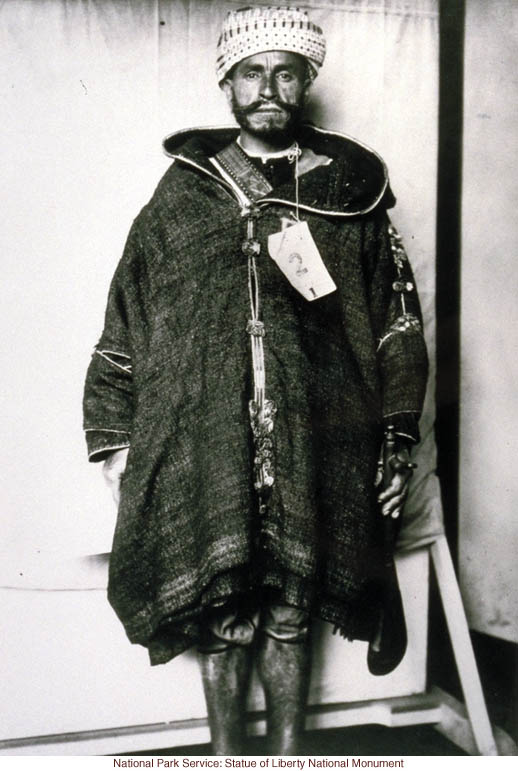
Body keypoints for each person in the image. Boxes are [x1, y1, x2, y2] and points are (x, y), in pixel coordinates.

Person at [83, 5, 428, 756]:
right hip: (211, 444)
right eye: (251, 73)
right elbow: (126, 323)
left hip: (318, 436)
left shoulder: (351, 195)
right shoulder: (181, 200)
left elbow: (400, 324)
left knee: (289, 614)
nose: (268, 87)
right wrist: (117, 445)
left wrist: (396, 439)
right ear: (228, 85)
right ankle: (228, 758)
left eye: (285, 72)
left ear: (306, 81)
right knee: (226, 616)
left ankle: (289, 757)